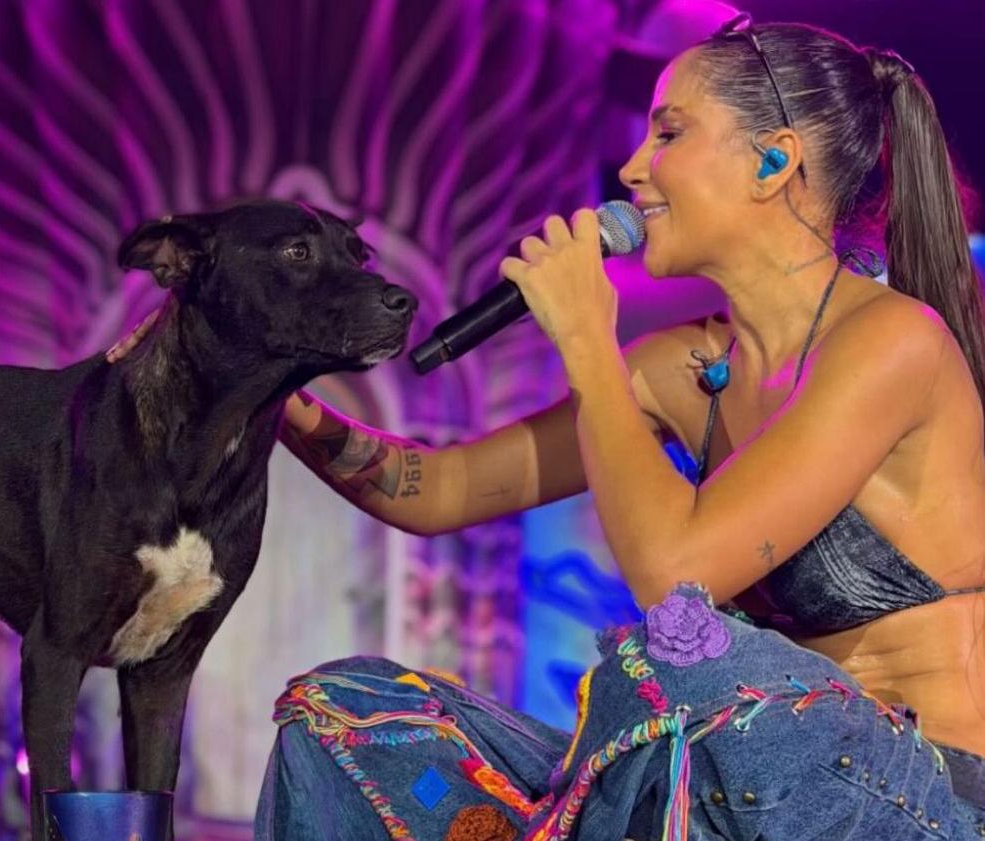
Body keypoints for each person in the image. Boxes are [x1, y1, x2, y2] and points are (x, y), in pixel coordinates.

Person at [109, 14, 985, 839]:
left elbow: (676, 580)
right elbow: (438, 487)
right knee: (346, 711)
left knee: (685, 661)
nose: (634, 167)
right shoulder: (680, 369)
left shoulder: (891, 341)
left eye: (669, 134)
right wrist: (277, 394)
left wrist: (586, 340)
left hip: (912, 791)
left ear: (772, 162)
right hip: (728, 775)